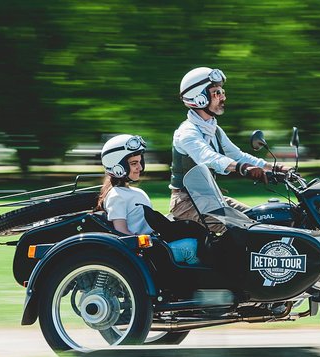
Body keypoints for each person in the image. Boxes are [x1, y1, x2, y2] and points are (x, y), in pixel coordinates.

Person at [170, 67, 290, 232]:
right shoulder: (187, 132)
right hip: (186, 203)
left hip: (210, 199)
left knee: (261, 219)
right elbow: (207, 157)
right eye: (216, 93)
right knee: (245, 229)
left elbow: (238, 155)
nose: (223, 97)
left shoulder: (213, 129)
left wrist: (274, 168)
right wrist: (242, 168)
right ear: (199, 98)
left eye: (222, 91)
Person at [97, 134, 200, 265]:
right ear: (117, 167)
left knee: (198, 233)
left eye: (140, 162)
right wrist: (148, 242)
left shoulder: (136, 192)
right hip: (145, 252)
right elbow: (121, 232)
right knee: (190, 246)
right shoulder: (116, 196)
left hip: (156, 242)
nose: (140, 167)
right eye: (134, 163)